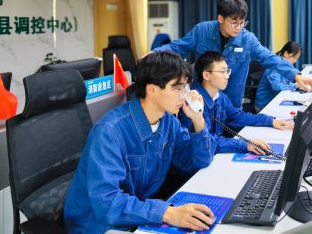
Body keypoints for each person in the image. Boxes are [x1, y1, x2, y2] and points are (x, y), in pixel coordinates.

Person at [64, 52, 216, 234]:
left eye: (186, 88)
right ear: (152, 90)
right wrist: (166, 213)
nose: (184, 96)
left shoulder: (169, 123)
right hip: (96, 224)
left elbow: (198, 161)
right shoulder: (110, 131)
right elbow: (107, 204)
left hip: (136, 215)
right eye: (177, 88)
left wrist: (198, 120)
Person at [151, 0, 312, 108]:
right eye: (234, 22)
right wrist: (154, 54)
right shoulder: (202, 31)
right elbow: (177, 47)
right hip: (200, 100)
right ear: (221, 18)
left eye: (242, 22)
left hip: (231, 103)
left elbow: (271, 58)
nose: (239, 27)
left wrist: (296, 76)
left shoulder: (248, 39)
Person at [181, 51, 293, 155]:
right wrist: (245, 144)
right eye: (222, 72)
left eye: (227, 71)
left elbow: (238, 117)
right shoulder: (193, 104)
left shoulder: (221, 97)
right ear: (206, 75)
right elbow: (206, 141)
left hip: (214, 155)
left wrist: (270, 121)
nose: (227, 76)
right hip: (199, 159)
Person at [255, 41, 303, 112]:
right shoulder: (274, 66)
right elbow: (276, 87)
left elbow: (288, 80)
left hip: (276, 99)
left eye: (297, 58)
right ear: (286, 53)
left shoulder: (287, 64)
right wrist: (295, 85)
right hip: (264, 105)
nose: (295, 61)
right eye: (294, 57)